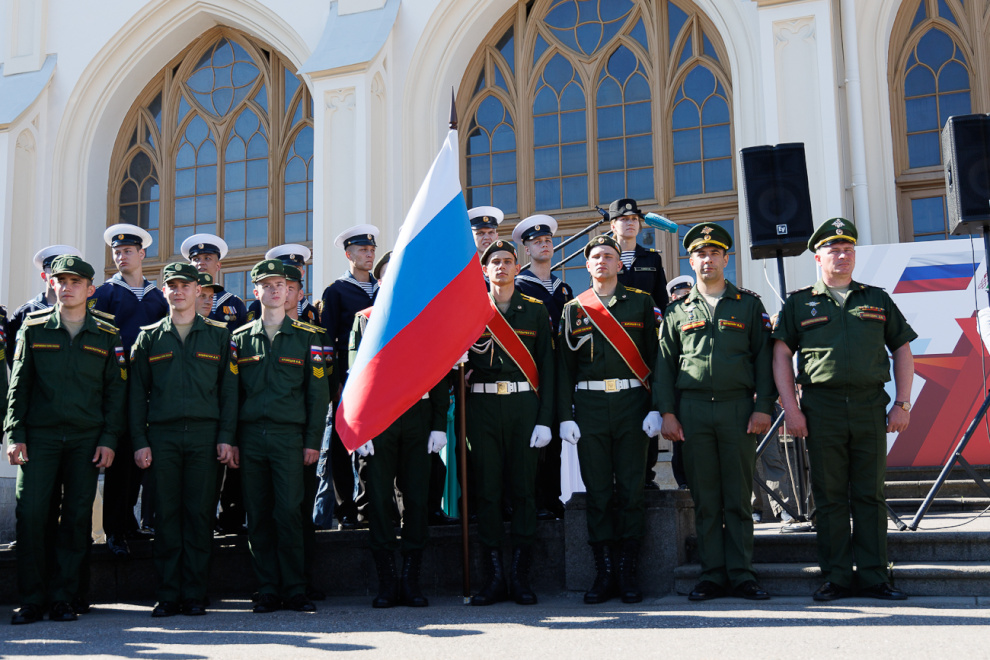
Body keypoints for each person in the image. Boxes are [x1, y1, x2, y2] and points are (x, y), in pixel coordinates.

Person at [772, 218, 916, 602]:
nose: (842, 255)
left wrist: (902, 403)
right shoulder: (799, 303)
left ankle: (874, 577)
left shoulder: (876, 299)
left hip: (870, 406)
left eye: (848, 249)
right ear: (817, 257)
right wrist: (791, 409)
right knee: (830, 495)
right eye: (834, 250)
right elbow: (781, 355)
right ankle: (835, 577)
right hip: (822, 408)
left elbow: (902, 349)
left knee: (870, 494)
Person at [655, 222, 775, 602]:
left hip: (737, 408)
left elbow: (764, 360)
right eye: (700, 254)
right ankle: (711, 575)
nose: (707, 260)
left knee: (738, 497)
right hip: (692, 412)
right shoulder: (677, 311)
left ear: (726, 259)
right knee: (705, 498)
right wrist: (667, 413)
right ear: (690, 261)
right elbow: (664, 367)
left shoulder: (749, 305)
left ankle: (742, 575)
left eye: (714, 253)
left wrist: (763, 407)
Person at [6, 255, 126, 624]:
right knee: (31, 515)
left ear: (91, 290)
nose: (68, 287)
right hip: (39, 438)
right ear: (52, 284)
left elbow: (115, 392)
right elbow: (19, 385)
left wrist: (109, 438)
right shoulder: (34, 328)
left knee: (75, 518)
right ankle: (32, 599)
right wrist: (14, 434)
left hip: (85, 439)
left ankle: (64, 597)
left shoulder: (107, 333)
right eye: (62, 281)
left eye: (76, 282)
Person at [128, 263, 238, 617]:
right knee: (166, 516)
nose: (178, 292)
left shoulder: (219, 335)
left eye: (185, 286)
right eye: (172, 286)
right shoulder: (149, 337)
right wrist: (140, 441)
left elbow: (229, 392)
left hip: (206, 437)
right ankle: (168, 593)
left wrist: (226, 437)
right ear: (164, 292)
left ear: (197, 291)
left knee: (200, 515)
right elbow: (136, 395)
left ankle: (194, 593)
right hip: (163, 437)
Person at [557, 235, 660, 605]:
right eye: (596, 256)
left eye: (609, 255)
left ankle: (628, 572)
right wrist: (564, 415)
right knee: (598, 492)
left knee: (632, 490)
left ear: (620, 264)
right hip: (590, 407)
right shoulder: (573, 309)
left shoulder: (642, 303)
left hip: (633, 404)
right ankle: (604, 573)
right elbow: (564, 368)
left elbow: (657, 359)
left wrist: (657, 407)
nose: (602, 260)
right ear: (587, 266)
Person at [233, 259, 329, 613]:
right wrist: (231, 439)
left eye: (282, 286)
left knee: (289, 512)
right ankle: (268, 588)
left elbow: (317, 396)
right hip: (250, 438)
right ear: (255, 291)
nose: (275, 291)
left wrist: (313, 441)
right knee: (258, 514)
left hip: (289, 437)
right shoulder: (240, 339)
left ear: (290, 291)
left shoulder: (306, 337)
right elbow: (231, 395)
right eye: (268, 285)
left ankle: (295, 588)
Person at [467, 240, 554, 606]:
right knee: (487, 491)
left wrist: (545, 419)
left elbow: (548, 367)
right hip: (482, 407)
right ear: (484, 270)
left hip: (523, 406)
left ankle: (519, 576)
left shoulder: (534, 310)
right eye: (494, 262)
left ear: (517, 268)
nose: (501, 267)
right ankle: (494, 577)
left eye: (507, 261)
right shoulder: (470, 309)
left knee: (523, 491)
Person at [350, 297, 449, 608]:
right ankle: (387, 580)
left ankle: (410, 579)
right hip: (380, 418)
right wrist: (360, 425)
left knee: (417, 499)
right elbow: (355, 373)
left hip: (419, 415)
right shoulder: (365, 319)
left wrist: (439, 424)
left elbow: (439, 372)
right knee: (378, 500)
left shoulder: (427, 317)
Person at [90, 224, 168, 559]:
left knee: (140, 458)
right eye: (117, 252)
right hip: (117, 385)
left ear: (142, 254)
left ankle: (130, 522)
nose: (121, 257)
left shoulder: (157, 297)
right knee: (120, 458)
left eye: (127, 251)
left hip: (148, 386)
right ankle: (114, 530)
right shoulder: (106, 293)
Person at [512, 214, 573, 520]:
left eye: (548, 241)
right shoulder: (519, 285)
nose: (544, 245)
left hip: (559, 369)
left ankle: (552, 497)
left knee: (556, 435)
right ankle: (532, 499)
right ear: (526, 250)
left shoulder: (564, 289)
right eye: (537, 242)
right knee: (532, 438)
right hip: (530, 369)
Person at [319, 225, 379, 530]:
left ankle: (377, 503)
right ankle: (345, 507)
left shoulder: (383, 288)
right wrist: (334, 383)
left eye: (371, 250)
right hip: (348, 375)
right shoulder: (336, 291)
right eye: (362, 250)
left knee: (378, 441)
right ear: (348, 254)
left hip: (380, 375)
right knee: (344, 442)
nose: (369, 255)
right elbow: (327, 342)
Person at [609, 198, 669, 490]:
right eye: (624, 219)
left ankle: (647, 475)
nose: (630, 223)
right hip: (613, 344)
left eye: (634, 219)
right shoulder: (605, 256)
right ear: (613, 225)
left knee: (648, 410)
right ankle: (615, 476)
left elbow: (663, 303)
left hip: (645, 345)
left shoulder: (652, 259)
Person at [284, 262, 335, 602]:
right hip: (268, 432)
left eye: (291, 288)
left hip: (304, 433)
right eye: (280, 287)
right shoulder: (250, 332)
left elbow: (325, 387)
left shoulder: (316, 335)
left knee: (302, 510)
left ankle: (303, 578)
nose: (284, 293)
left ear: (301, 294)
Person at [6, 245, 82, 368]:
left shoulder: (83, 312)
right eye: (54, 269)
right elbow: (14, 357)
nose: (59, 274)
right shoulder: (25, 312)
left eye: (65, 270)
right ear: (43, 276)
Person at [181, 234, 248, 329]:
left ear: (218, 266)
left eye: (207, 258)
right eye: (196, 259)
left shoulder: (233, 302)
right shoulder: (180, 298)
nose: (201, 263)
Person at [665, 274, 693, 489]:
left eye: (689, 294)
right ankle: (683, 482)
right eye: (682, 294)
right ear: (673, 297)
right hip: (675, 387)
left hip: (695, 387)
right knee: (680, 439)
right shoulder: (668, 316)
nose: (686, 298)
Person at [247, 244, 320, 325]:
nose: (290, 271)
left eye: (296, 268)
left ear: (302, 273)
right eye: (285, 268)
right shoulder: (258, 306)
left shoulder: (311, 311)